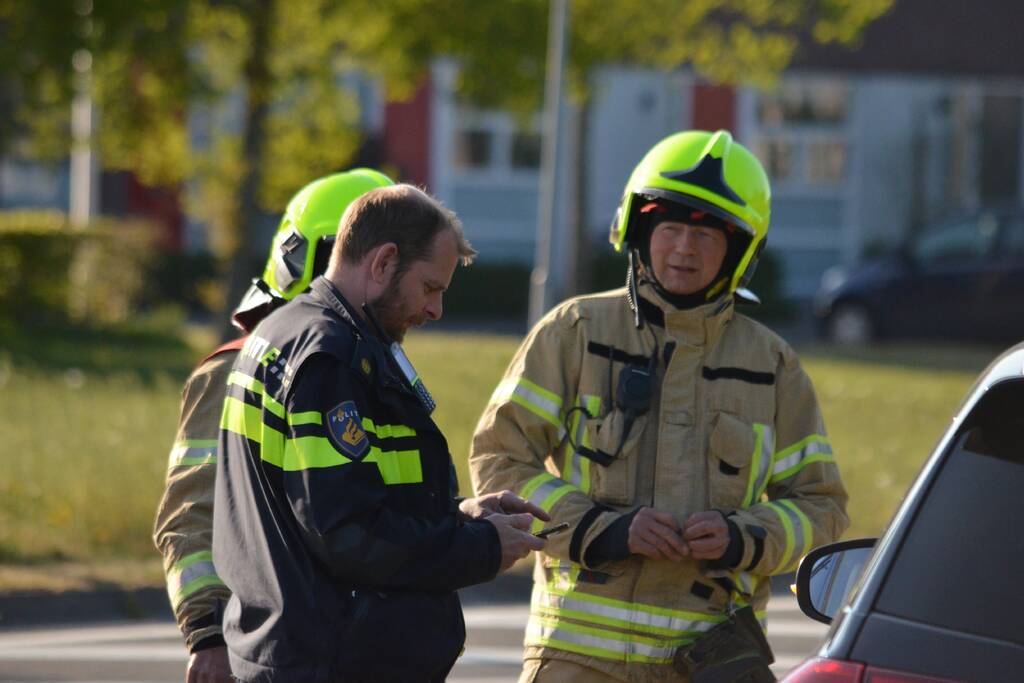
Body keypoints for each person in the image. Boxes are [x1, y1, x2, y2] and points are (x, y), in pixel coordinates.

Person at [469, 129, 849, 682]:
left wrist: (743, 536)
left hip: (709, 662)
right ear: (637, 230)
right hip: (575, 663)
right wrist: (603, 529)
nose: (684, 249)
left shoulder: (774, 367)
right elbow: (499, 462)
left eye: (706, 236)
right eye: (669, 228)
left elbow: (821, 506)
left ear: (741, 253)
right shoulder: (573, 333)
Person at [213, 183, 548, 683]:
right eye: (431, 287)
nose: (435, 310)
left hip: (295, 653)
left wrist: (460, 516)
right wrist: (480, 547)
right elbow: (348, 534)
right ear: (383, 261)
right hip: (328, 663)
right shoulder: (331, 359)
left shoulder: (282, 331)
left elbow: (337, 501)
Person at [153, 168, 395, 683]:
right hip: (266, 655)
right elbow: (191, 516)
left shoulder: (373, 372)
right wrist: (209, 635)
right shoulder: (236, 371)